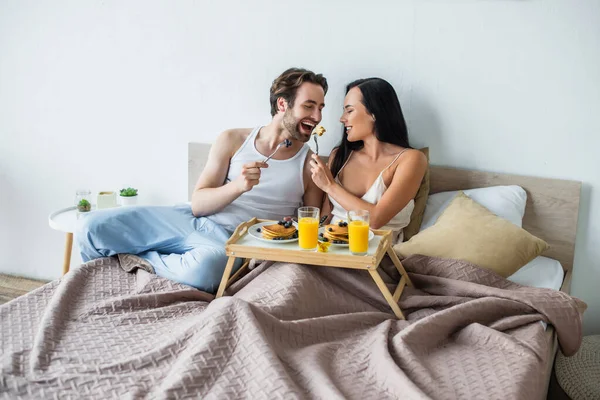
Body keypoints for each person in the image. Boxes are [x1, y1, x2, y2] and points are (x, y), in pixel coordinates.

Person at [76, 67, 327, 293]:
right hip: (191, 221)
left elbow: (309, 226)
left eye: (321, 108)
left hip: (229, 243)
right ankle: (96, 288)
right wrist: (237, 187)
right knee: (90, 227)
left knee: (206, 271)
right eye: (309, 106)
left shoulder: (310, 164)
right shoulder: (233, 140)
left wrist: (289, 228)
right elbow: (198, 204)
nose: (317, 116)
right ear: (283, 105)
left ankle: (139, 259)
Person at [309, 78, 427, 244]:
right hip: (330, 250)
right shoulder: (340, 155)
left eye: (349, 111)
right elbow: (326, 217)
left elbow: (376, 219)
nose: (342, 119)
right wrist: (303, 230)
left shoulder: (411, 160)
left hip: (374, 257)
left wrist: (330, 186)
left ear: (374, 113)